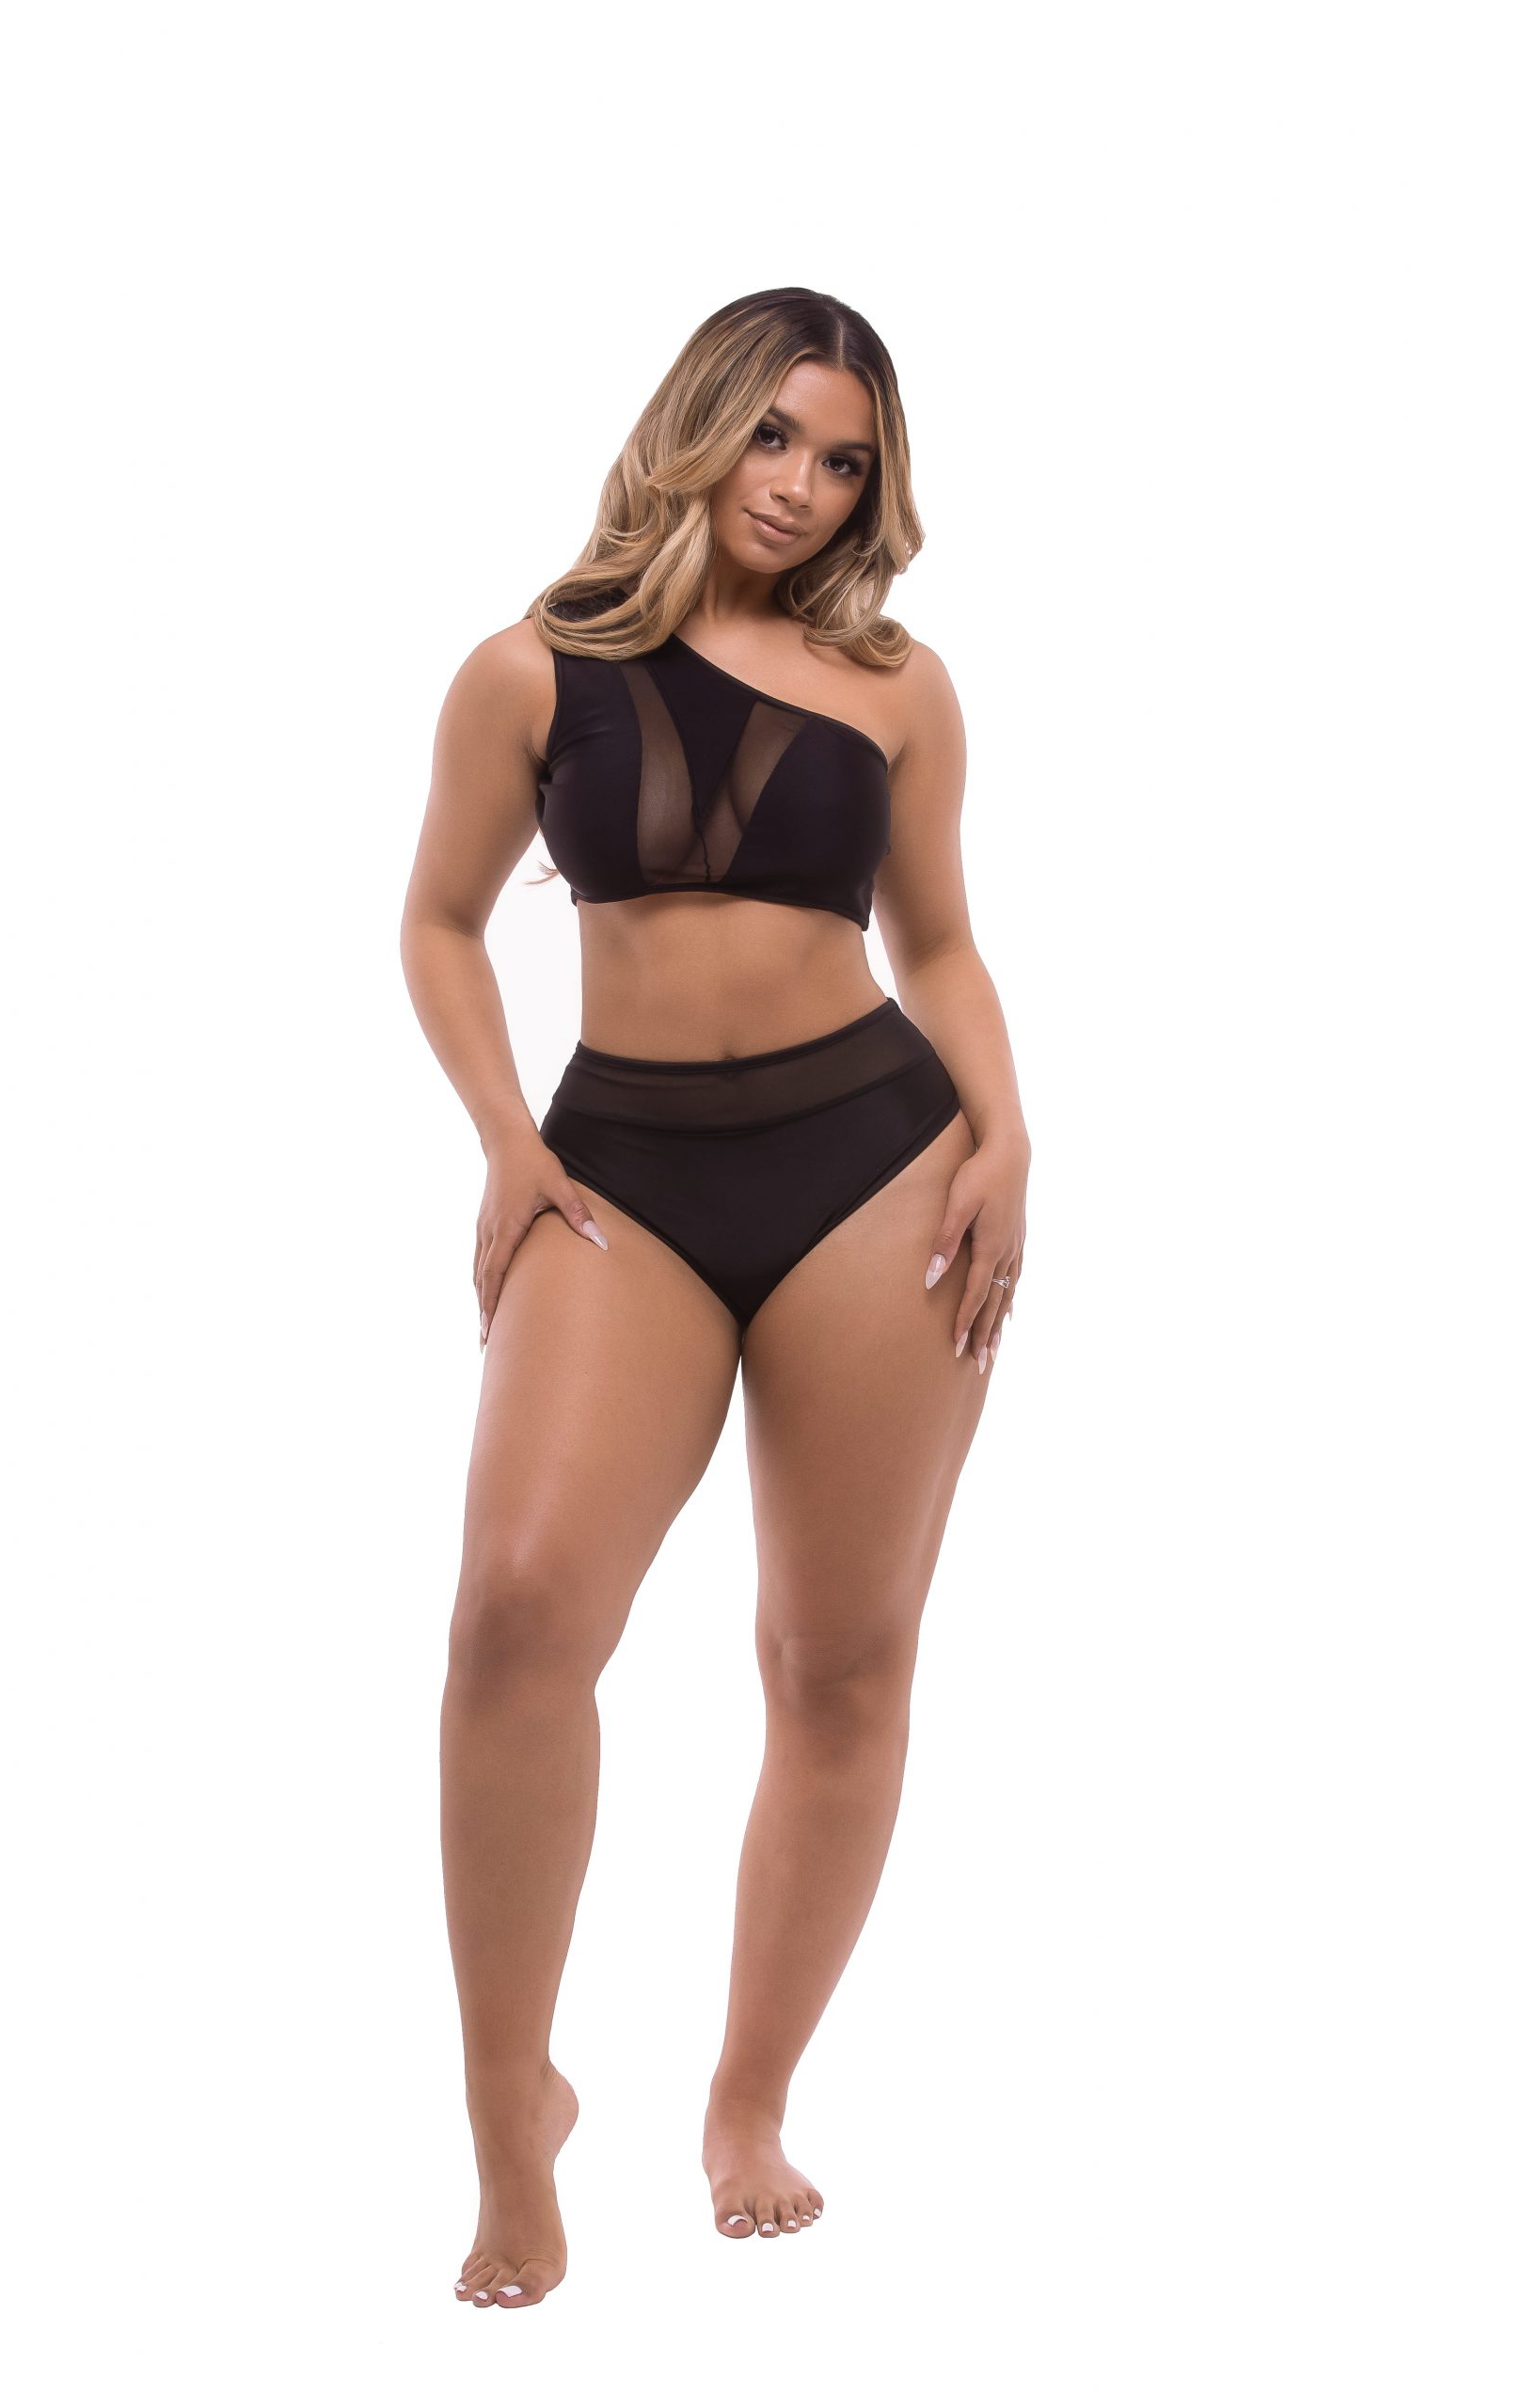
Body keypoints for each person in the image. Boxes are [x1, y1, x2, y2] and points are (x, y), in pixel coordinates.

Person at [399, 286, 1032, 2312]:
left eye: (844, 459)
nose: (803, 486)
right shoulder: (530, 665)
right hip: (621, 1173)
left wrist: (1008, 1134)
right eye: (775, 435)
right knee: (515, 1614)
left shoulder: (900, 685)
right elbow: (436, 921)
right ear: (699, 423)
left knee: (837, 1659)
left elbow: (938, 941)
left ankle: (746, 2103)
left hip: (880, 1160)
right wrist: (507, 1139)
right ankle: (513, 2111)